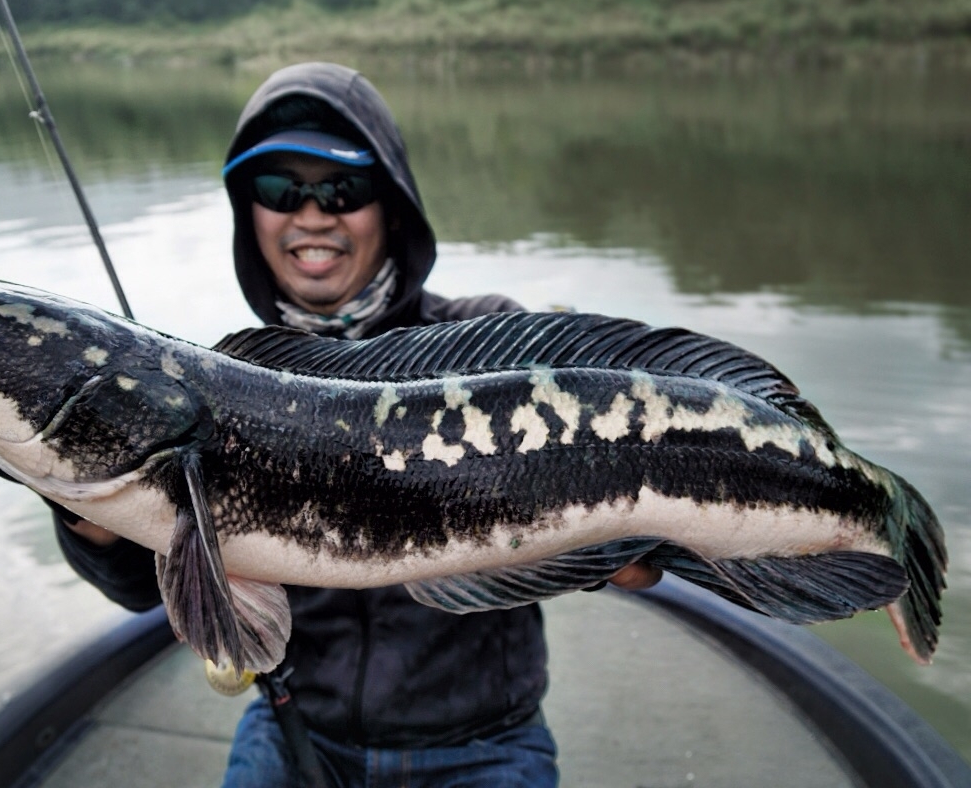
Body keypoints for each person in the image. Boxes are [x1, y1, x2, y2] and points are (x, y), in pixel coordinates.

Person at [48, 62, 660, 787]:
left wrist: (614, 535)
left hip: (483, 741)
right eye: (280, 190)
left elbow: (636, 566)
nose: (311, 215)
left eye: (343, 188)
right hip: (295, 726)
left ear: (392, 207)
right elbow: (143, 588)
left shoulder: (491, 341)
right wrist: (87, 496)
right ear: (252, 214)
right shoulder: (225, 382)